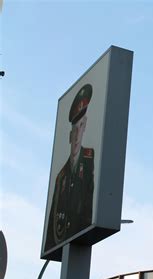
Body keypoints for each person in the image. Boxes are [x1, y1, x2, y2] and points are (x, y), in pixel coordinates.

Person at [45, 84, 94, 250]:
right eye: (75, 129)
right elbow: (51, 236)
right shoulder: (61, 178)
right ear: (70, 135)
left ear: (85, 127)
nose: (77, 135)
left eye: (81, 127)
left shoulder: (89, 163)